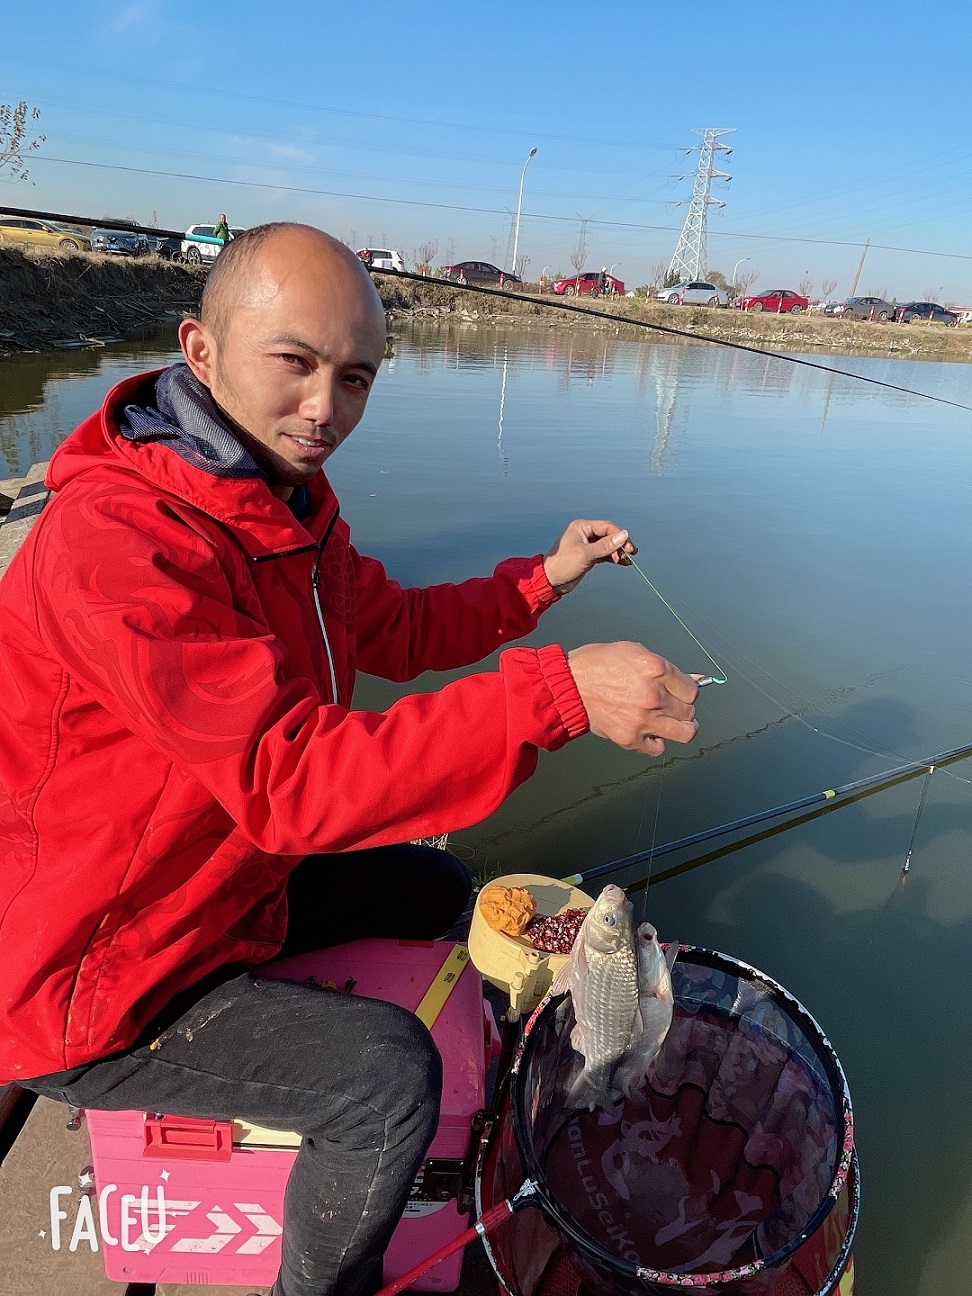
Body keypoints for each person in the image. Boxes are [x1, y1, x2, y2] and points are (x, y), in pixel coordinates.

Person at [0, 224, 699, 1296]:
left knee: (432, 886)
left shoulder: (282, 503)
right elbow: (288, 780)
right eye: (295, 362)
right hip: (93, 969)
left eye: (357, 378)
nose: (325, 408)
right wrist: (557, 693)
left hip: (207, 881)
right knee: (386, 1081)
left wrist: (544, 579)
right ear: (199, 349)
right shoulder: (122, 544)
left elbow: (392, 629)